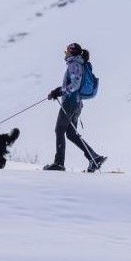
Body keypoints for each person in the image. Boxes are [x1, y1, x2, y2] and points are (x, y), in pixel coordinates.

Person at [44, 42, 106, 172]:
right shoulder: (78, 64)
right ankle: (94, 157)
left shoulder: (74, 64)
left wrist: (60, 92)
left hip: (70, 103)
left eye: (66, 50)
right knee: (71, 134)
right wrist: (57, 91)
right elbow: (73, 84)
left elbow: (75, 85)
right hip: (77, 103)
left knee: (59, 130)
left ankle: (59, 164)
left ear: (72, 52)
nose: (65, 53)